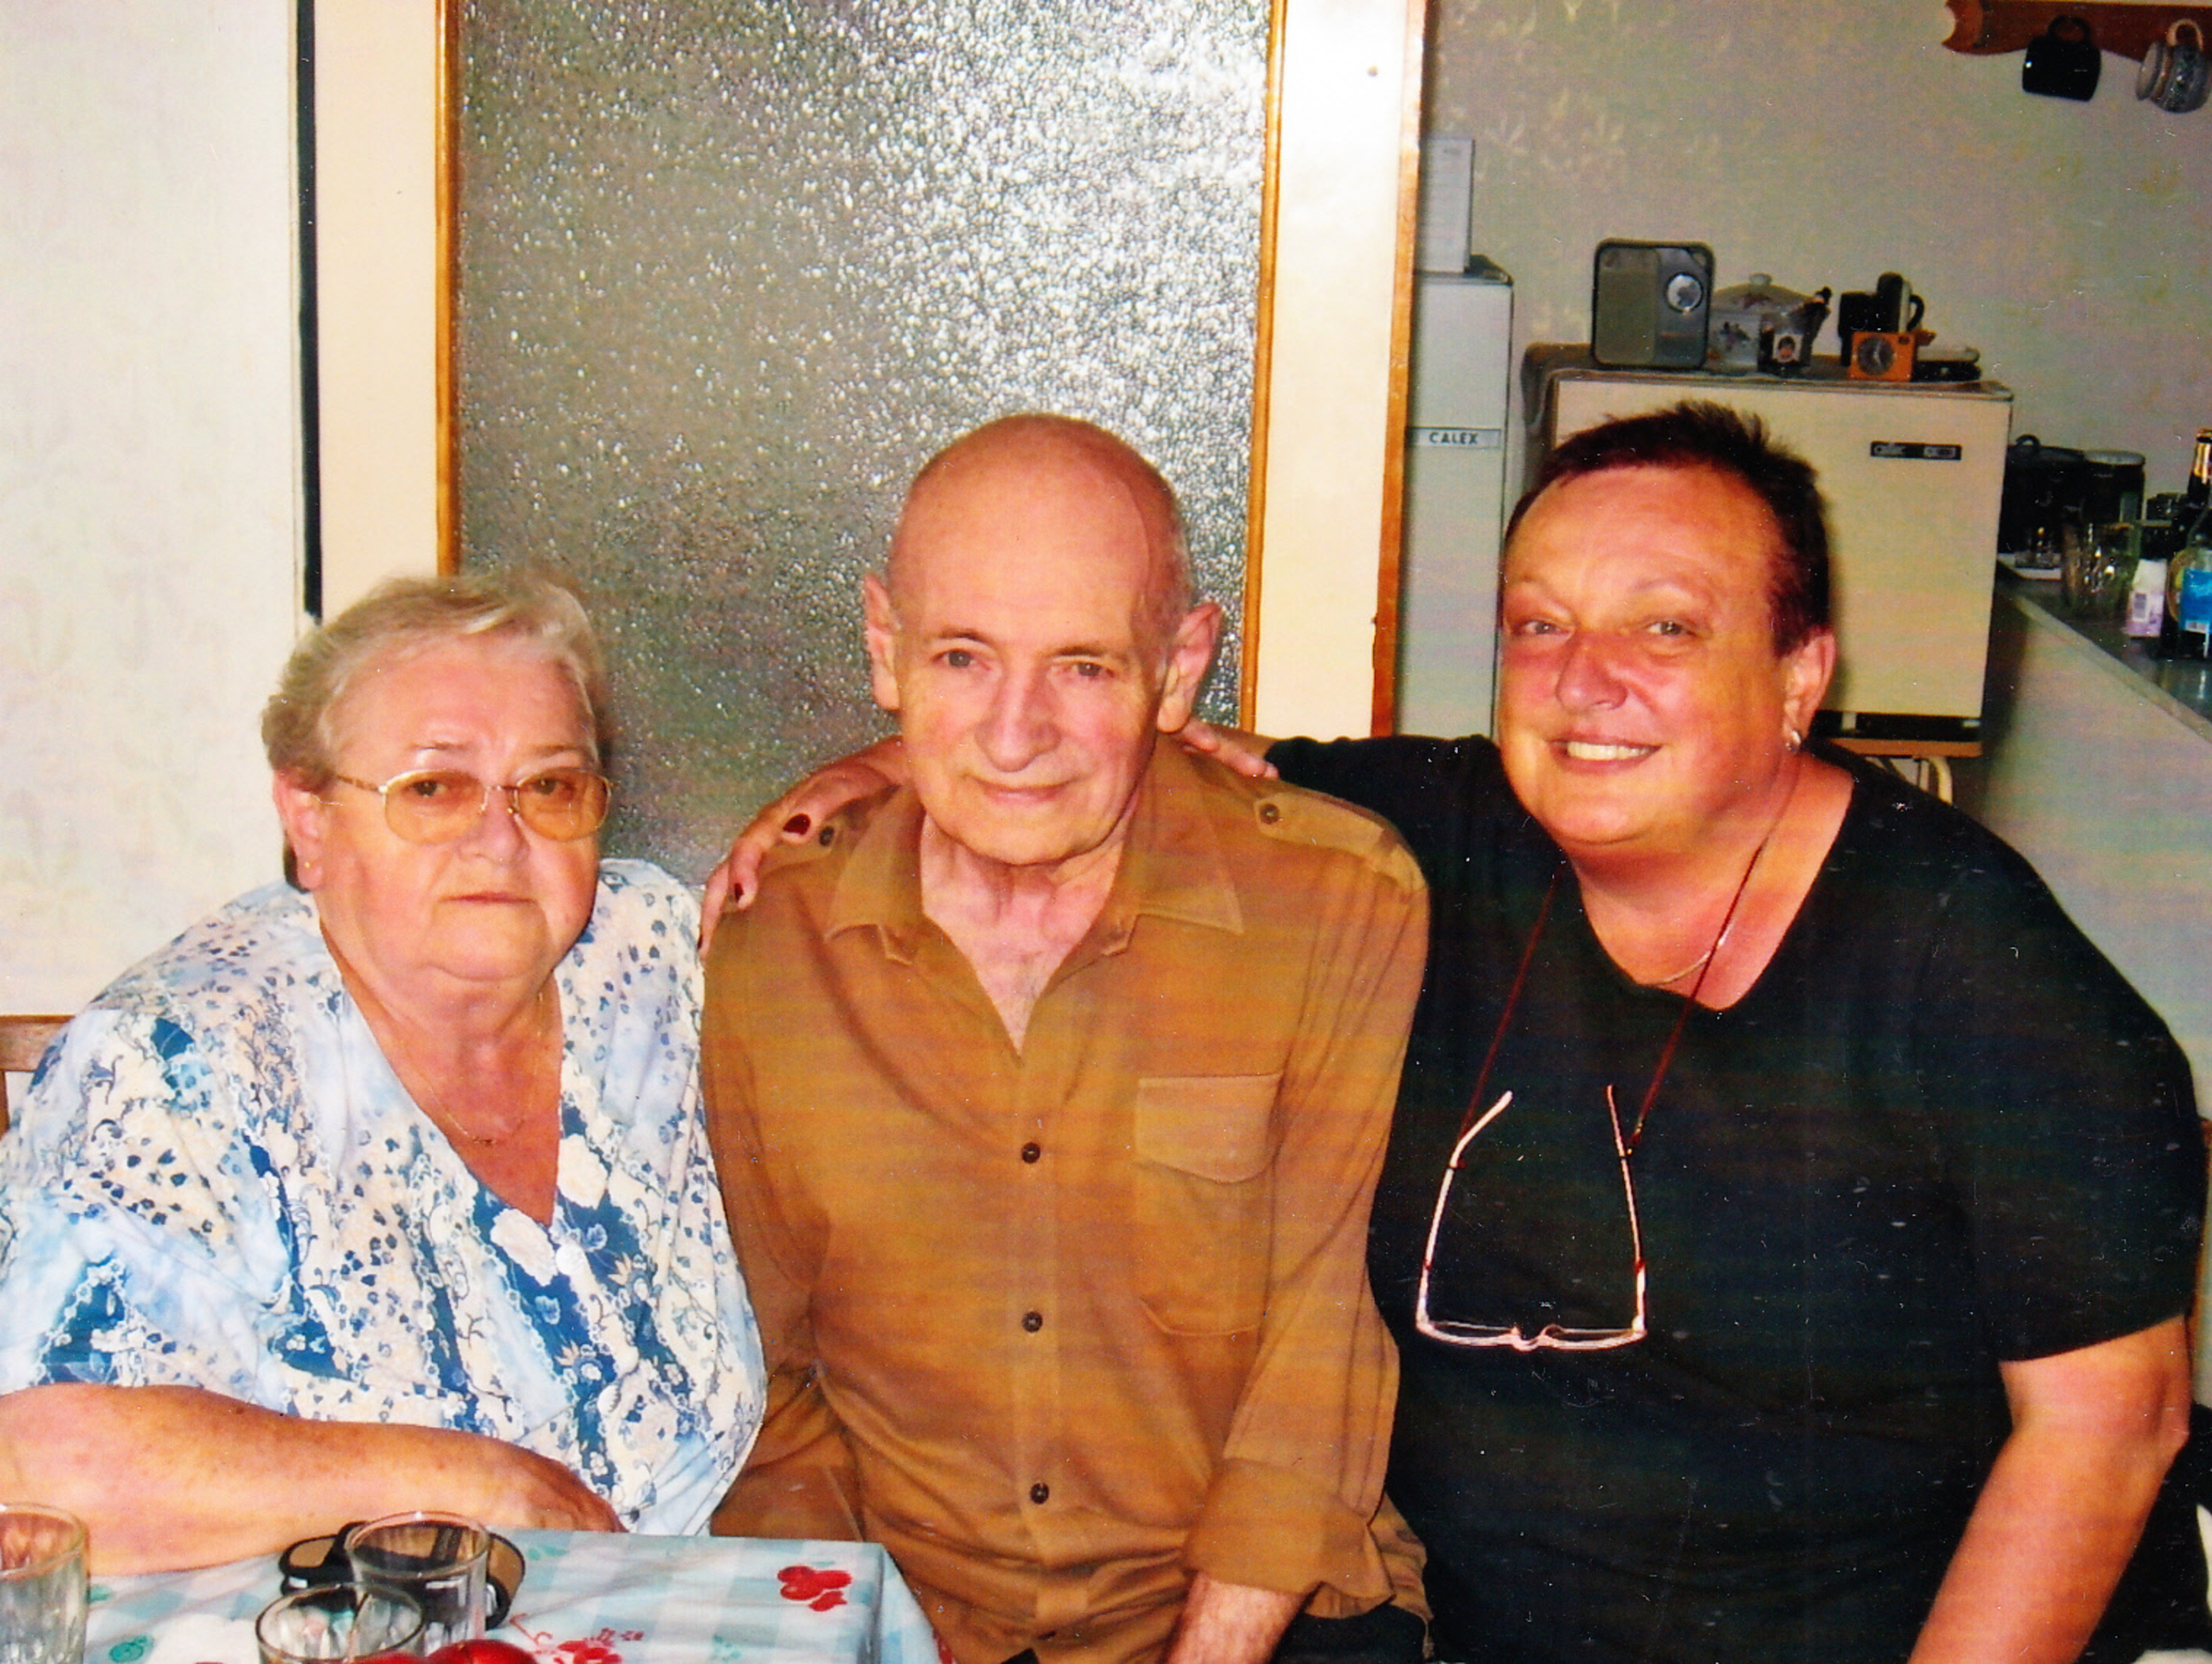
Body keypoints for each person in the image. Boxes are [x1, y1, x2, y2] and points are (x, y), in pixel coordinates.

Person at [710, 404, 2207, 1664]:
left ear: (1801, 673)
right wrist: (864, 772)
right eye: (1541, 625)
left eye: (1666, 627)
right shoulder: (1451, 836)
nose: (1586, 681)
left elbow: (2111, 1432)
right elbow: (1074, 745)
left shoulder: (1971, 963)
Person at [701, 415, 1431, 1664]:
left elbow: (1322, 1357)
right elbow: (765, 1376)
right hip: (911, 1617)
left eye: (1083, 667)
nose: (1013, 734)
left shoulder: (1331, 905)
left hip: (1255, 1613)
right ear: (885, 649)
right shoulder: (778, 937)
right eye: (962, 658)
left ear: (1180, 667)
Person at [0, 571, 764, 1573]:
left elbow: (950, 822)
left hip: (703, 1611)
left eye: (549, 786)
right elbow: (41, 1463)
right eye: (434, 789)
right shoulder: (179, 1061)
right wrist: (466, 1483)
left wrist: (859, 778)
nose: (501, 838)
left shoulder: (653, 956)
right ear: (310, 820)